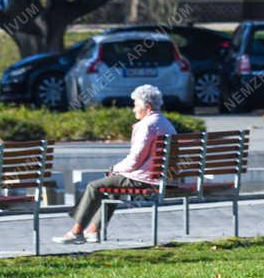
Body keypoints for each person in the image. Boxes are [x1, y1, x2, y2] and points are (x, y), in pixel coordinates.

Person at [53, 85, 176, 244]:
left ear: (148, 107)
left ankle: (76, 232)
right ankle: (93, 231)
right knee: (112, 185)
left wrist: (114, 168)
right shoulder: (166, 123)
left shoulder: (147, 125)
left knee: (94, 186)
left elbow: (135, 160)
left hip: (146, 180)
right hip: (160, 177)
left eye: (136, 105)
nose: (133, 110)